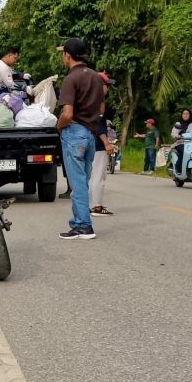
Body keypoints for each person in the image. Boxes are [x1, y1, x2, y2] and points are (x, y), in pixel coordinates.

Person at [55, 38, 105, 240]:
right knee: (82, 181)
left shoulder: (70, 79)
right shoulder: (95, 77)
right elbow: (101, 109)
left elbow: (67, 114)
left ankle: (83, 226)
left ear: (67, 55)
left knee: (77, 184)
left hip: (74, 132)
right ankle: (80, 223)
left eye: (62, 53)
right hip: (90, 135)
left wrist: (58, 128)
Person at [89, 71, 117, 216]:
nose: (108, 89)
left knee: (92, 175)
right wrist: (106, 143)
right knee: (99, 176)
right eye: (107, 85)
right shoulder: (98, 100)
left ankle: (91, 205)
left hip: (88, 141)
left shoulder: (87, 98)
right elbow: (98, 124)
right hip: (97, 143)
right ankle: (97, 207)